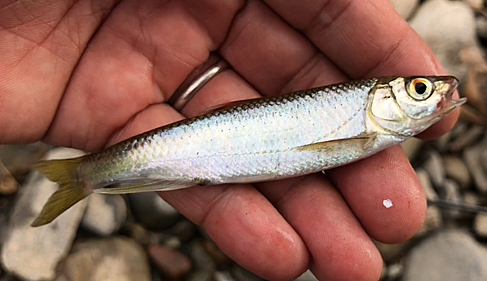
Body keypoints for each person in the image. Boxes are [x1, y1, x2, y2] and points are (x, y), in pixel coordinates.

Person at [0, 1, 459, 280]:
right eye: (418, 90)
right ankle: (87, 176)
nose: (433, 93)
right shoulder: (365, 128)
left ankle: (89, 176)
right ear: (378, 101)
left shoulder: (371, 133)